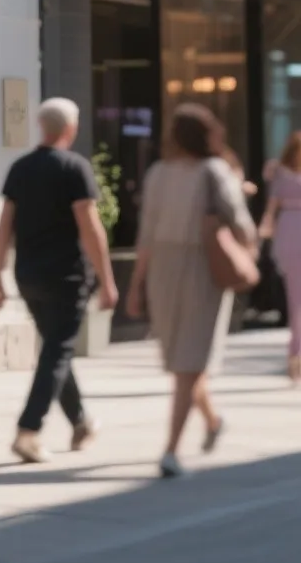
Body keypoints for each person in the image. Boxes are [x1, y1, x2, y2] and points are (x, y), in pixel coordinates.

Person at [129, 104, 257, 478]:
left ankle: (171, 450)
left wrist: (138, 284)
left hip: (189, 268)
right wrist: (248, 254)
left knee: (188, 360)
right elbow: (243, 224)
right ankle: (213, 421)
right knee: (183, 360)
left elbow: (147, 236)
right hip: (189, 266)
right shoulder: (197, 171)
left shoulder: (174, 173)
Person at [0, 97, 119, 464]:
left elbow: (4, 226)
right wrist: (108, 280)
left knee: (54, 350)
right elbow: (91, 228)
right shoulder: (74, 167)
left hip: (28, 275)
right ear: (71, 128)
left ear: (40, 126)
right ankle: (28, 431)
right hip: (66, 276)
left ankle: (80, 422)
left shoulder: (20, 168)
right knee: (58, 350)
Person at [260, 131, 301, 384]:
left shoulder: (279, 173)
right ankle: (296, 351)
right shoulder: (280, 174)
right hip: (290, 234)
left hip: (289, 230)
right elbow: (271, 208)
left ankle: (295, 352)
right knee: (296, 298)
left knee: (297, 298)